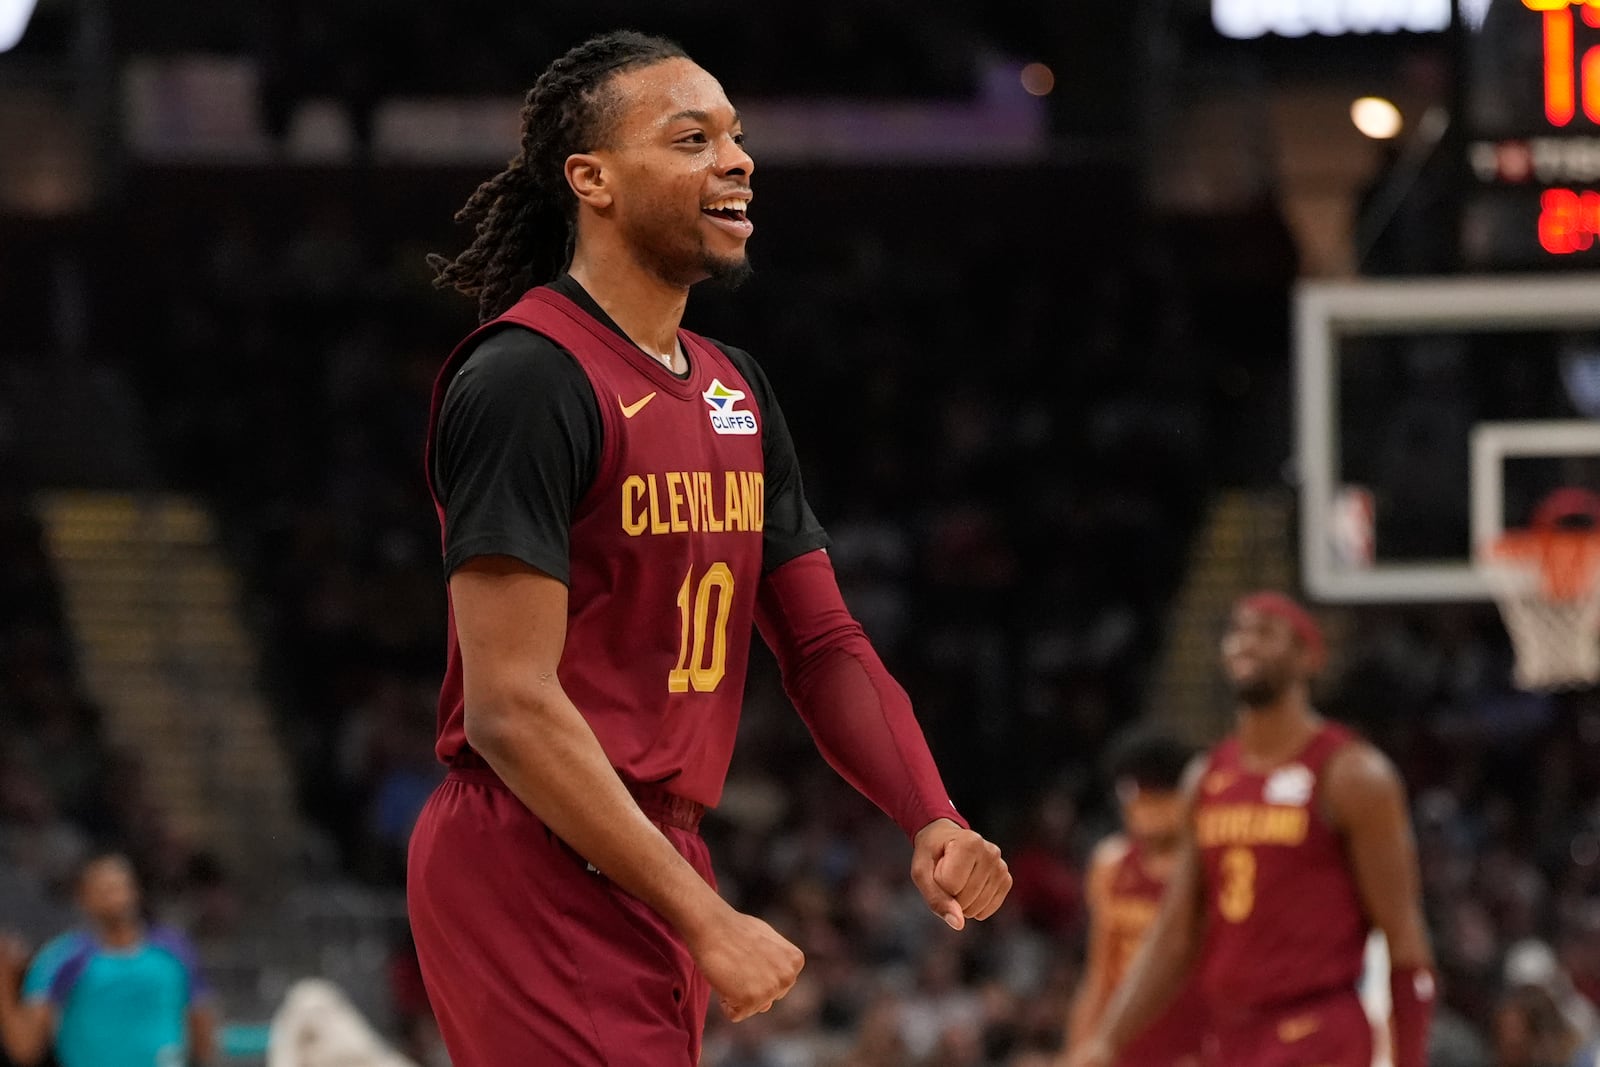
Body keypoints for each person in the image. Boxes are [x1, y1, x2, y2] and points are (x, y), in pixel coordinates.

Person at [407, 29, 1013, 1067]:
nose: (736, 159)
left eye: (735, 136)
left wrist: (932, 813)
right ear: (589, 178)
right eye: (692, 139)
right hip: (535, 843)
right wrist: (707, 914)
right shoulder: (528, 377)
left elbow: (820, 641)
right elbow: (509, 706)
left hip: (647, 844)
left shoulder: (733, 386)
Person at [1069, 592, 1435, 1067]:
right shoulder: (1207, 777)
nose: (1246, 641)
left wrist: (1410, 1058)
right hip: (1231, 1036)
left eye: (1265, 632)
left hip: (1317, 1030)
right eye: (1238, 631)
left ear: (1309, 656)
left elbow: (1404, 936)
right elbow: (1175, 933)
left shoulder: (1351, 774)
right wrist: (1106, 1040)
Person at [1064, 730, 1205, 1067]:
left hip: (1196, 1048)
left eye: (1154, 796)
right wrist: (1078, 1049)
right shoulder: (1110, 864)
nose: (1143, 808)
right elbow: (1099, 972)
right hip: (1124, 1048)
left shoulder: (1209, 868)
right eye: (1133, 796)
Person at [0, 853, 217, 1067]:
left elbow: (202, 1023)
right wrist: (4, 978)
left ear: (135, 891)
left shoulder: (174, 950)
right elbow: (25, 1048)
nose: (115, 898)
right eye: (103, 891)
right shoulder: (62, 959)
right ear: (82, 898)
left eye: (119, 887)